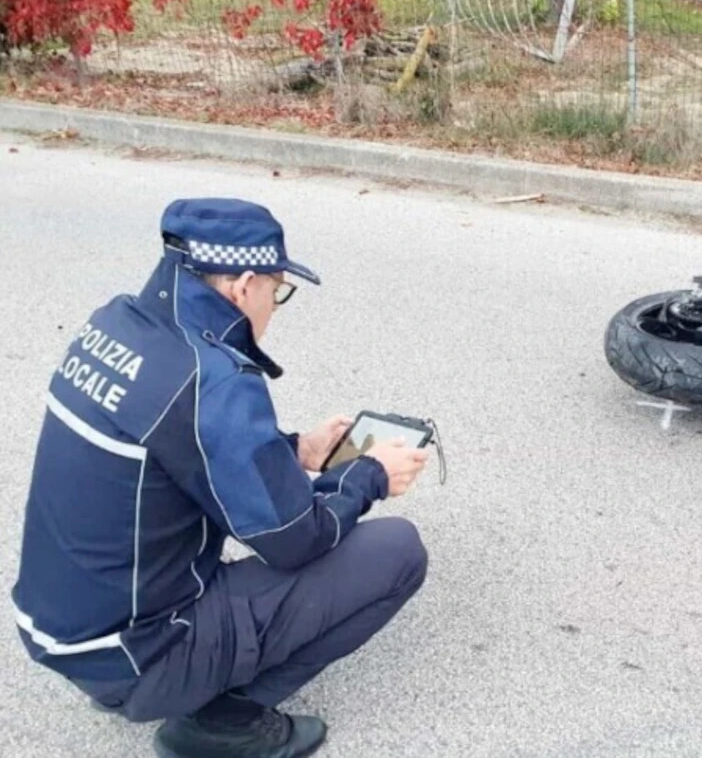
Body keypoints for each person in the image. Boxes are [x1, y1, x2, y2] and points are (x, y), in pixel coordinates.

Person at [10, 197, 431, 757]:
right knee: (398, 552)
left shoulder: (115, 325)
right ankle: (221, 724)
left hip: (61, 631)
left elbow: (182, 451)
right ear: (243, 286)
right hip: (141, 653)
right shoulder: (216, 381)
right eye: (276, 291)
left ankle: (149, 680)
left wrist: (297, 450)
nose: (274, 306)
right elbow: (295, 541)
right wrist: (369, 475)